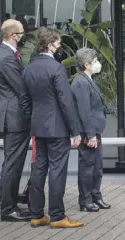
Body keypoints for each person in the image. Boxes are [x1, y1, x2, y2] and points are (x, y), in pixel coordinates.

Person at [22, 27, 83, 228]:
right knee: (57, 171)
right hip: (57, 128)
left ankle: (37, 214)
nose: (59, 47)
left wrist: (34, 119)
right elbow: (66, 102)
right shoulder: (56, 68)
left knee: (38, 170)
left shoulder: (28, 68)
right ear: (49, 45)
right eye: (57, 43)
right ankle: (57, 216)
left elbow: (24, 101)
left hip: (37, 127)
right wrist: (75, 130)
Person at [0, 19, 32, 222]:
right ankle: (8, 209)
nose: (24, 36)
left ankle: (11, 204)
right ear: (14, 35)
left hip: (10, 116)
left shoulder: (0, 53)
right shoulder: (6, 57)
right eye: (22, 33)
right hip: (15, 118)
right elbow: (21, 89)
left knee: (11, 163)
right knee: (13, 164)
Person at [71, 48, 111, 212]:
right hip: (88, 131)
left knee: (97, 166)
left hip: (93, 130)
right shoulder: (80, 82)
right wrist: (90, 135)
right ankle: (86, 199)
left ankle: (95, 195)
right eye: (94, 61)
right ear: (86, 64)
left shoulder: (87, 79)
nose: (97, 64)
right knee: (88, 166)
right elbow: (84, 111)